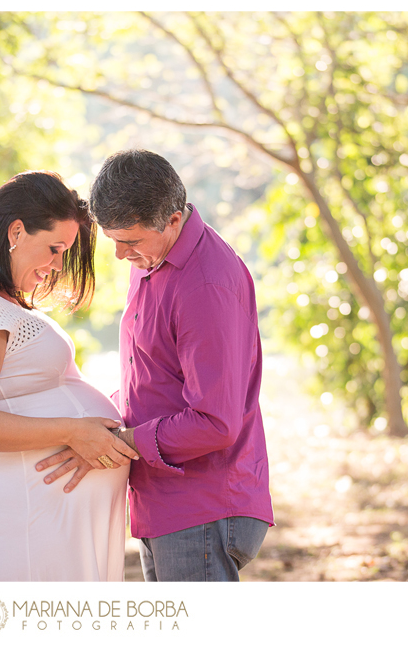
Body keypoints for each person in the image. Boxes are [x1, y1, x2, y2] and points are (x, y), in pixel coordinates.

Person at [37, 150, 274, 581]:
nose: (119, 254)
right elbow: (151, 374)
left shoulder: (206, 285)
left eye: (130, 241)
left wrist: (121, 442)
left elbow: (215, 421)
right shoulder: (152, 258)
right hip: (163, 502)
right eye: (113, 240)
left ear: (173, 221)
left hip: (202, 506)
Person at [0, 170, 139, 582]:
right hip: (15, 529)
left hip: (37, 526)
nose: (57, 265)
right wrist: (75, 431)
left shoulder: (0, 305)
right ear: (17, 231)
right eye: (54, 248)